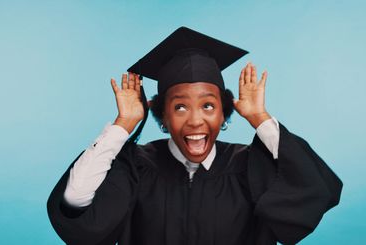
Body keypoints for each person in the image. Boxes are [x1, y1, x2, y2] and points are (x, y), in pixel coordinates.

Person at [47, 27, 342, 245]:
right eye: (180, 107)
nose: (196, 120)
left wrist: (259, 118)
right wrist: (124, 124)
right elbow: (75, 202)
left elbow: (315, 188)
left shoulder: (249, 166)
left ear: (224, 112)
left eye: (208, 105)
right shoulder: (137, 165)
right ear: (162, 115)